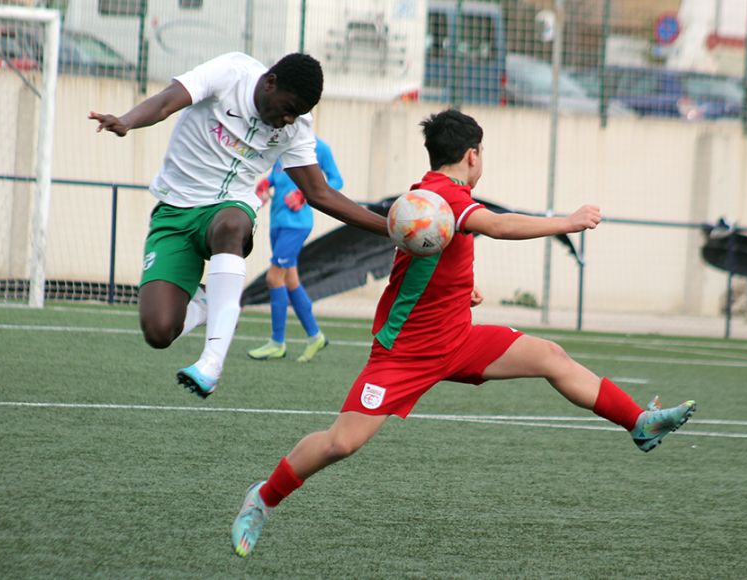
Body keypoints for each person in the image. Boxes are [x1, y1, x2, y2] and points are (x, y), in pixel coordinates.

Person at [230, 108, 697, 558]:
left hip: (457, 338)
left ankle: (638, 422)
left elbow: (430, 256)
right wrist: (567, 222)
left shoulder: (431, 195)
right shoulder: (444, 198)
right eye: (482, 155)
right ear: (473, 155)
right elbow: (495, 225)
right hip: (405, 353)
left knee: (552, 356)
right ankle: (263, 499)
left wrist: (460, 292)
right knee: (341, 443)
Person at [89, 52, 387, 398]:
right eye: (288, 107)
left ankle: (211, 363)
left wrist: (389, 230)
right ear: (270, 82)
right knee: (158, 332)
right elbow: (165, 102)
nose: (288, 119)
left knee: (232, 225)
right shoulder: (230, 73)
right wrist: (127, 120)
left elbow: (320, 193)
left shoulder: (294, 129)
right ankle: (205, 304)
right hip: (175, 212)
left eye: (297, 114)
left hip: (229, 209)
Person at [247, 138, 342, 363]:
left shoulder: (319, 147)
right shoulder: (283, 142)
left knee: (273, 278)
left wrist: (305, 195)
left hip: (296, 225)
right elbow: (281, 176)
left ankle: (277, 343)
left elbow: (337, 181)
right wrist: (266, 182)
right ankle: (315, 336)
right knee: (290, 281)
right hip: (278, 222)